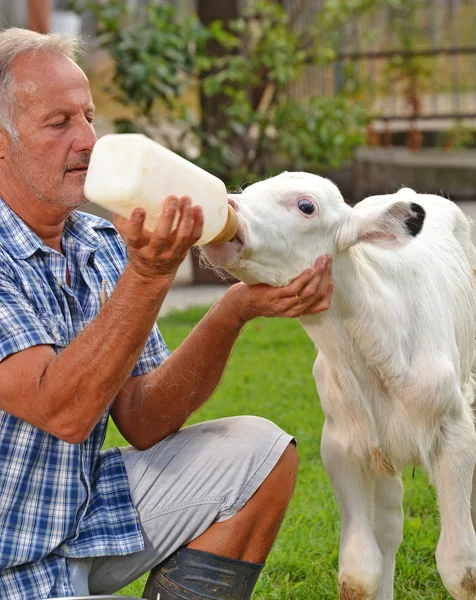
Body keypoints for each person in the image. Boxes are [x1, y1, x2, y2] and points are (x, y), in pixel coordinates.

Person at [0, 28, 334, 600]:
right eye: (59, 124)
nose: (88, 140)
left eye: (89, 116)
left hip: (73, 517)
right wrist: (150, 276)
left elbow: (145, 419)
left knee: (257, 452)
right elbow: (63, 411)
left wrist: (232, 312)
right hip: (10, 552)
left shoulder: (98, 244)